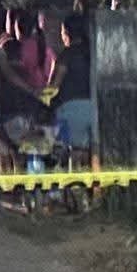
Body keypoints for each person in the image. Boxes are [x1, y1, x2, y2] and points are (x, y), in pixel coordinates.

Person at [0, 10, 52, 167]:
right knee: (27, 153)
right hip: (33, 106)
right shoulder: (44, 49)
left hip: (10, 110)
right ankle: (26, 186)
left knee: (5, 156)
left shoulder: (7, 68)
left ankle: (8, 188)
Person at [48, 13, 94, 166]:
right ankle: (92, 188)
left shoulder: (66, 55)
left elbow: (55, 85)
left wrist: (42, 99)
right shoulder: (92, 52)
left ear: (67, 33)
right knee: (89, 153)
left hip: (71, 107)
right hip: (93, 106)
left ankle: (75, 188)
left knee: (75, 153)